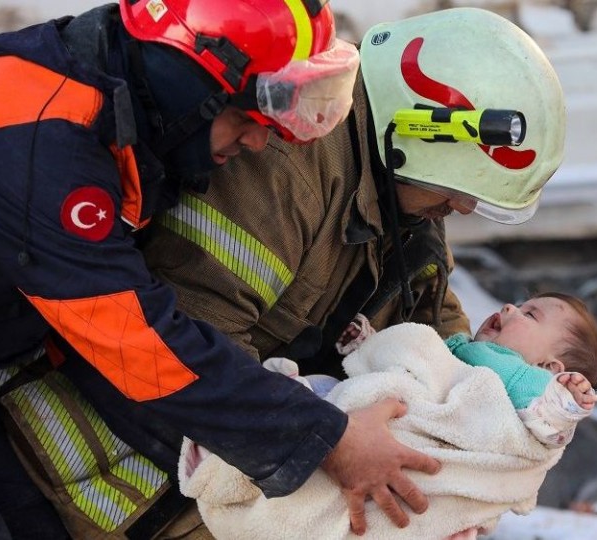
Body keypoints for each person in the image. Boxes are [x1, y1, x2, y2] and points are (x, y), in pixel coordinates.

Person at [0, 1, 440, 538]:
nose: (257, 141)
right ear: (183, 81)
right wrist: (327, 439)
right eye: (243, 116)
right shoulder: (49, 147)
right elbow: (138, 343)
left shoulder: (119, 100)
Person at [139, 7, 567, 533]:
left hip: (235, 482)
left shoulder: (403, 192)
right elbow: (190, 342)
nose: (461, 208)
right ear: (417, 132)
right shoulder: (287, 170)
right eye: (458, 192)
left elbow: (433, 325)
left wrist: (486, 445)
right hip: (131, 487)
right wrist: (331, 440)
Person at [179, 292, 597, 539]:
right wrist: (371, 345)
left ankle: (239, 461)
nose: (511, 308)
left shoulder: (523, 381)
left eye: (530, 315)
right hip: (394, 421)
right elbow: (411, 363)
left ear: (550, 367)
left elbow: (547, 425)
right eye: (519, 303)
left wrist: (565, 401)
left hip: (421, 449)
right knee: (334, 400)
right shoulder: (461, 352)